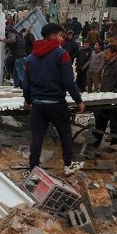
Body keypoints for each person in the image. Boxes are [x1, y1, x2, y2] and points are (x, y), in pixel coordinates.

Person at [23, 23, 85, 175]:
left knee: (37, 137)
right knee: (65, 133)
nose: (62, 39)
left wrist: (28, 100)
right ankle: (68, 164)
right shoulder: (61, 54)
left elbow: (26, 84)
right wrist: (79, 100)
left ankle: (34, 168)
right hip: (56, 103)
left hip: (37, 104)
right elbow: (69, 82)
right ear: (52, 36)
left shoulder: (31, 57)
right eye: (60, 36)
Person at [93, 46, 117, 147]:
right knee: (99, 123)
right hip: (104, 100)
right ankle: (94, 146)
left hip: (114, 102)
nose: (104, 56)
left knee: (115, 124)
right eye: (104, 53)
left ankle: (114, 147)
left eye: (106, 54)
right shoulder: (107, 64)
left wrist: (110, 97)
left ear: (114, 54)